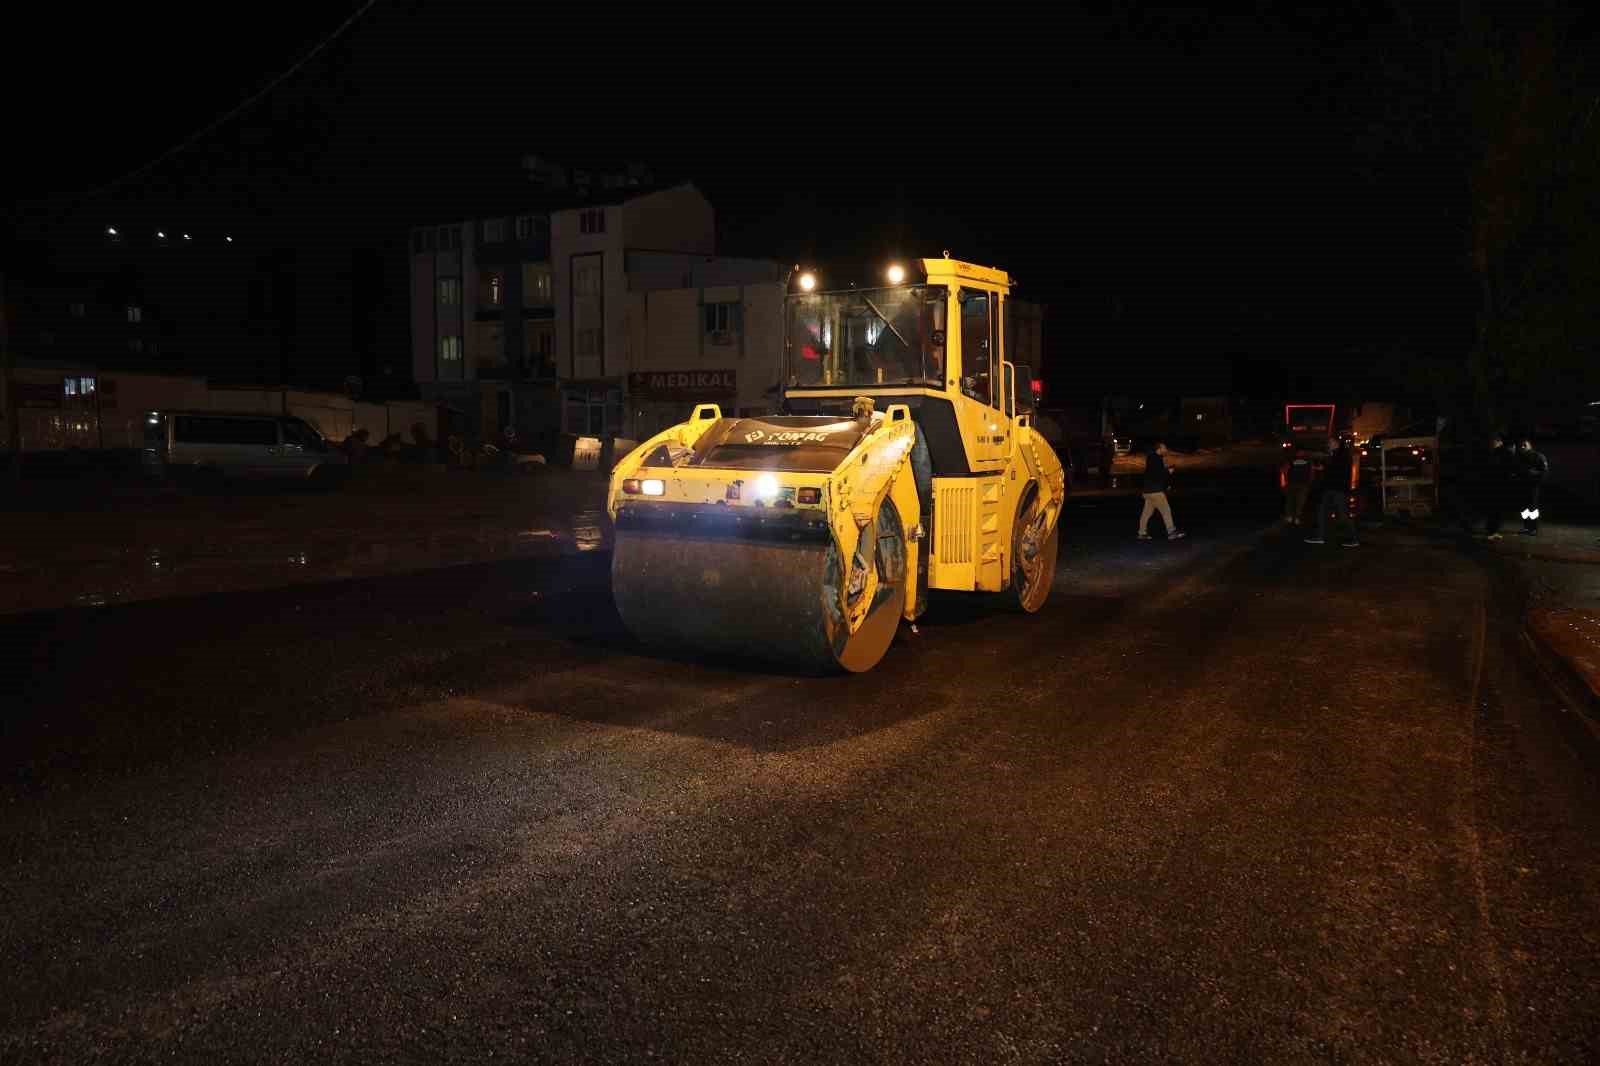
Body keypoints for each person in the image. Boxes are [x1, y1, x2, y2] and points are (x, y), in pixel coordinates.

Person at [1305, 438, 1360, 547]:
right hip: (1330, 488)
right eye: (1328, 443)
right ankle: (1320, 536)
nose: (1328, 444)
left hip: (1338, 489)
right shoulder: (1335, 454)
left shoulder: (1341, 455)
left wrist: (1324, 467)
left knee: (1342, 515)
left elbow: (1337, 470)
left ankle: (1353, 539)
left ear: (1336, 444)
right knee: (1322, 512)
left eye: (1330, 443)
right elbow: (1331, 468)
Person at [1137, 441, 1185, 541]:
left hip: (1148, 491)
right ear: (1159, 449)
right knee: (1166, 510)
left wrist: (1166, 477)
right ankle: (1171, 532)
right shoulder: (1158, 458)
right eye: (1164, 448)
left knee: (1146, 513)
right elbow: (1159, 473)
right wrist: (1168, 471)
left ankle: (1142, 533)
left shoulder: (1151, 458)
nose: (1166, 449)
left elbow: (1153, 473)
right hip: (1156, 491)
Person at [1482, 435, 1515, 541]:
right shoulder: (1502, 453)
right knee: (1496, 510)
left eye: (1493, 442)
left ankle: (1492, 531)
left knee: (1494, 510)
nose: (1492, 444)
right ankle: (1492, 531)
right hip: (1500, 485)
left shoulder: (1496, 453)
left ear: (1498, 442)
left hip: (1496, 485)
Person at [1517, 438, 1550, 535]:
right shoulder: (1520, 457)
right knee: (1524, 508)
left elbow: (1544, 471)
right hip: (1522, 486)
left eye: (1525, 445)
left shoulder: (1538, 456)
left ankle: (1533, 528)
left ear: (1530, 446)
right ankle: (1526, 528)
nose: (1523, 447)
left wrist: (1535, 475)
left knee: (1533, 508)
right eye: (1521, 445)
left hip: (1533, 486)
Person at [1282, 447, 1314, 525]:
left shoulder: (1308, 462)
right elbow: (1285, 470)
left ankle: (1296, 517)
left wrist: (1309, 482)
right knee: (1292, 501)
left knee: (1299, 502)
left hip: (1302, 484)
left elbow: (1311, 472)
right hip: (1293, 483)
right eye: (1299, 452)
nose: (1300, 454)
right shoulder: (1291, 461)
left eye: (1302, 452)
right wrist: (1286, 481)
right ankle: (1291, 517)